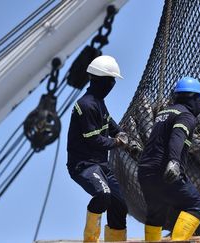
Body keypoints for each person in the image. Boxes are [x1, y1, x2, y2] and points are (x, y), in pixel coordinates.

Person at [66, 55, 129, 242]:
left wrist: (123, 135)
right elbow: (94, 141)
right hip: (84, 166)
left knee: (119, 203)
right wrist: (118, 143)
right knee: (103, 195)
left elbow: (110, 124)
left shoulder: (99, 103)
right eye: (111, 80)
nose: (112, 85)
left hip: (102, 165)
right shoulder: (85, 105)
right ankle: (90, 239)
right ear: (101, 80)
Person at [137, 76, 200, 241]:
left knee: (156, 212)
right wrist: (174, 161)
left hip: (145, 172)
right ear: (194, 98)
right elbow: (178, 136)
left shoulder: (164, 113)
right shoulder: (186, 115)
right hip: (165, 171)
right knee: (197, 206)